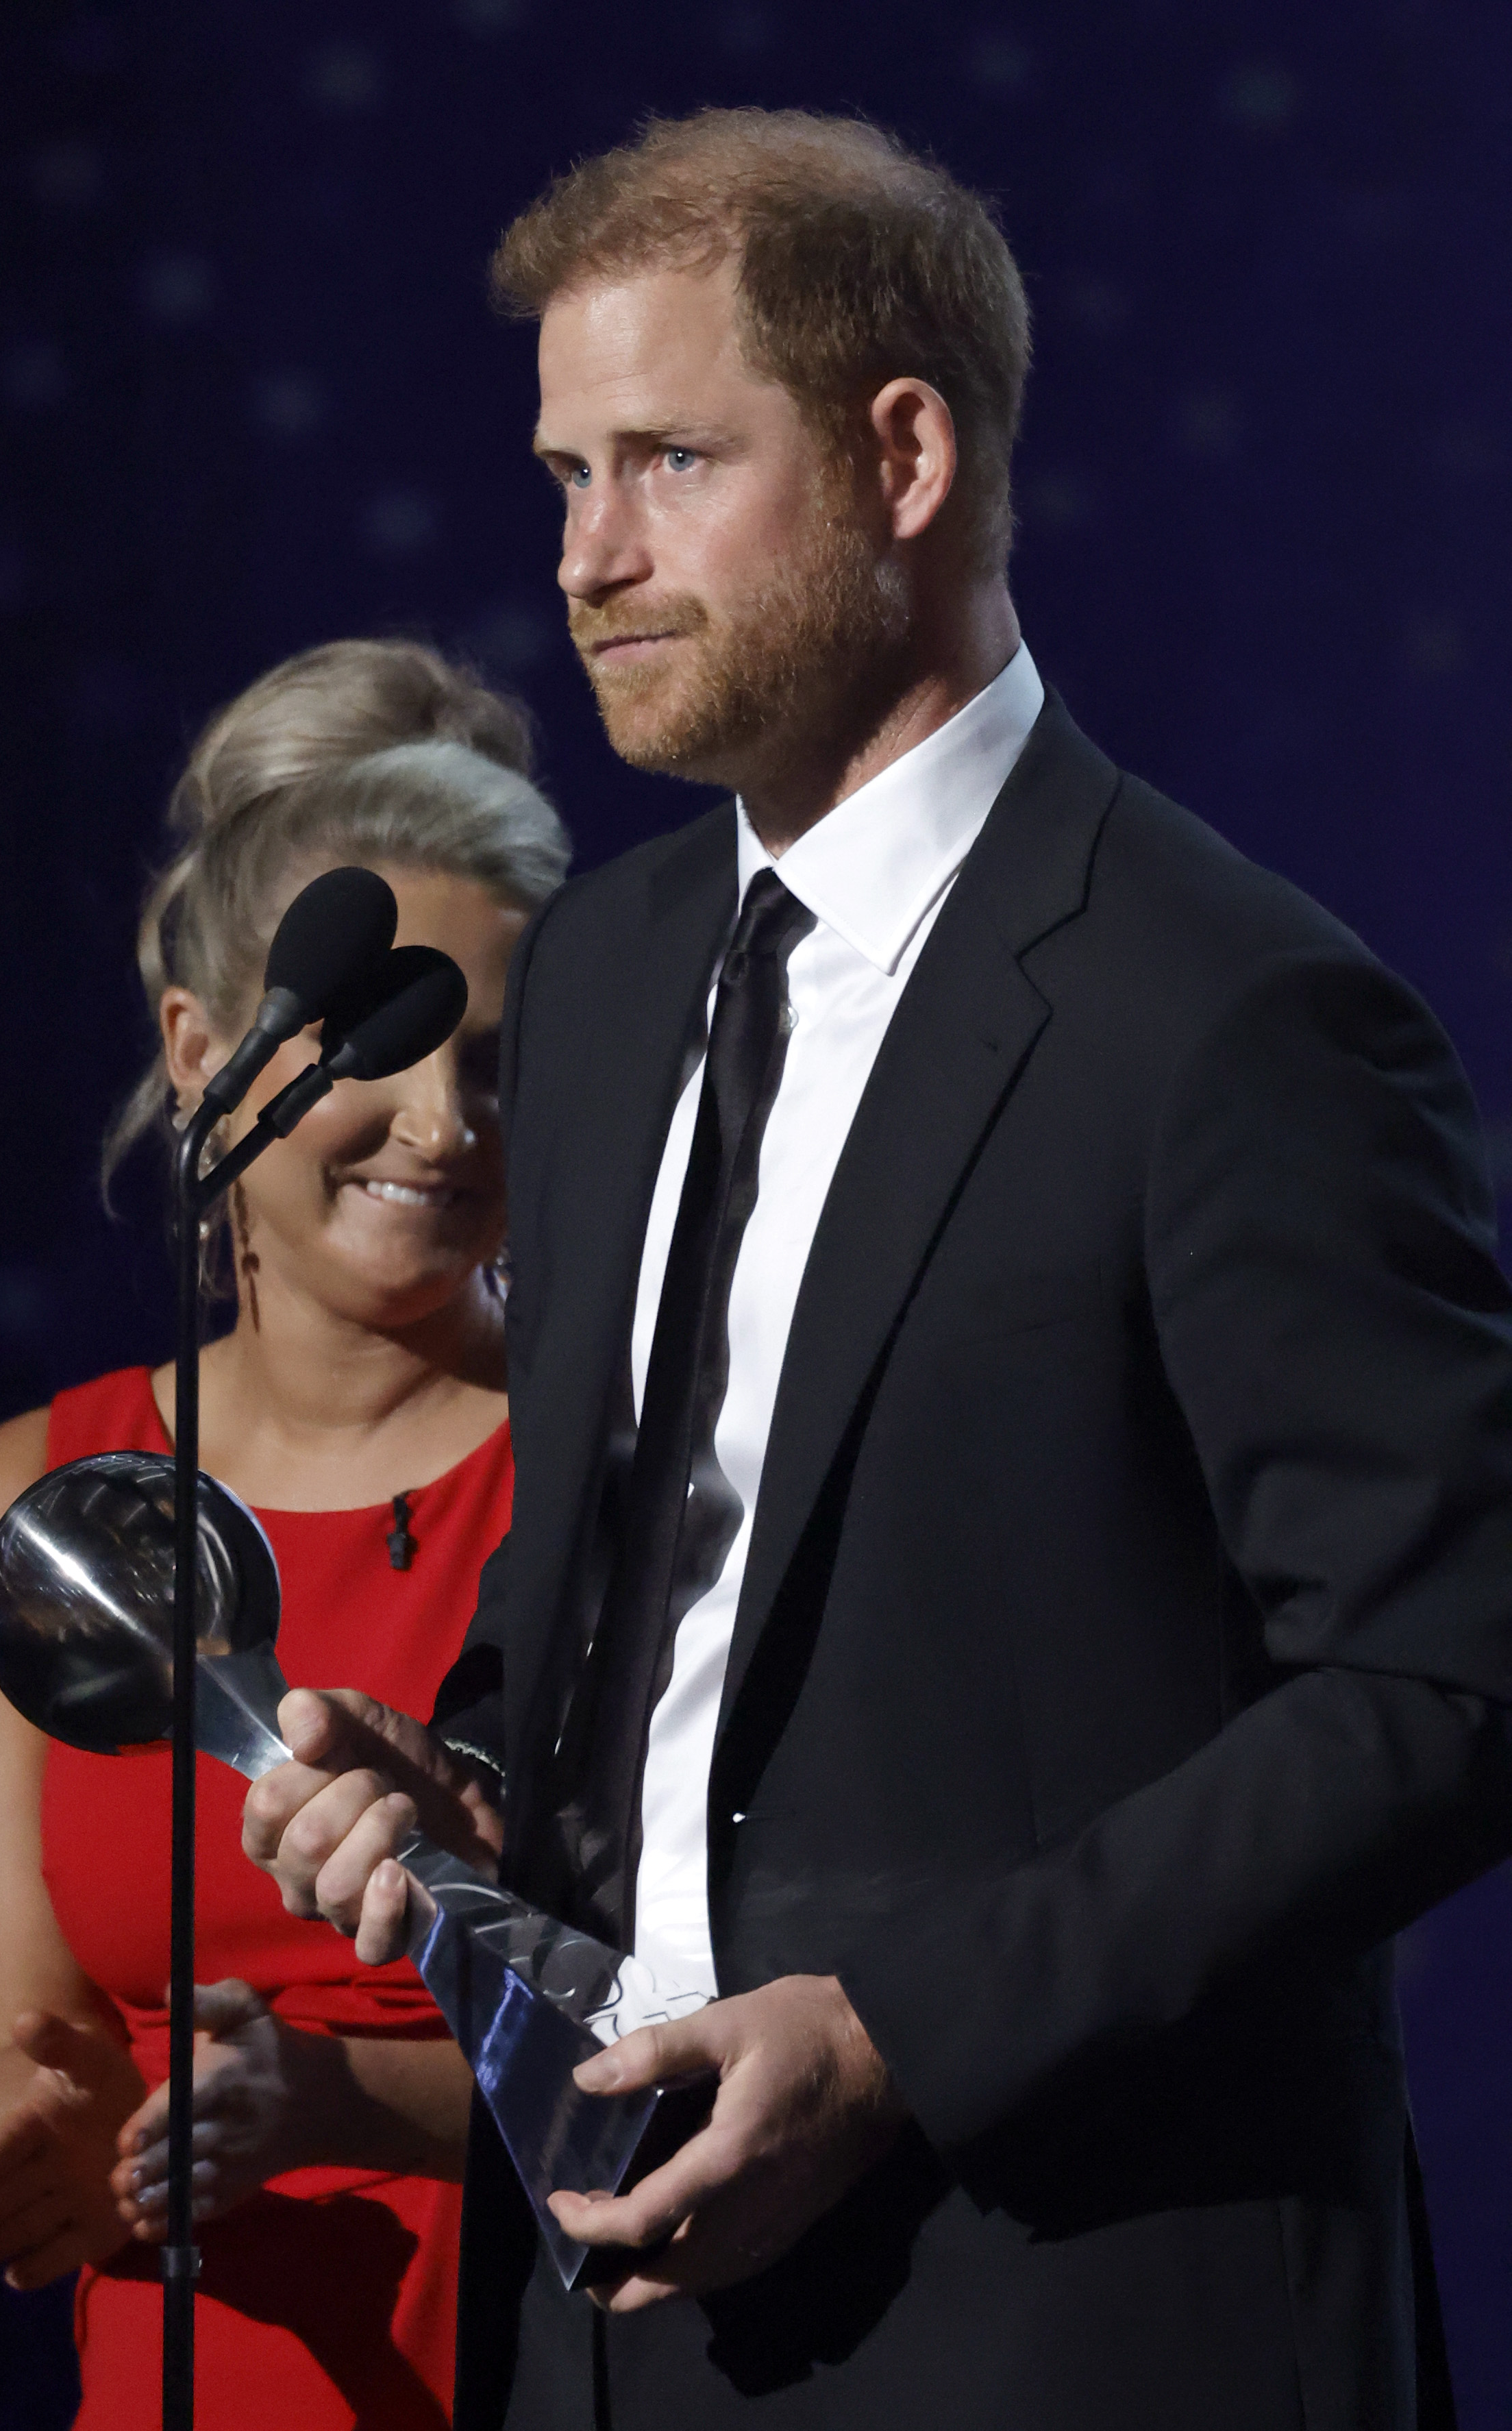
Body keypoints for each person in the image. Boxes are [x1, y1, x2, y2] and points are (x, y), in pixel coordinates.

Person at [243, 110, 1512, 2430]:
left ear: (903, 452)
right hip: (625, 2306)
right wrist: (462, 1791)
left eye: (661, 462)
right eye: (558, 479)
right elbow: (626, 1586)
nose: (586, 559)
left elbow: (1448, 1675)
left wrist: (897, 2034)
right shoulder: (614, 970)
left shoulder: (1227, 1012)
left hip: (1073, 2309)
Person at [0, 638, 570, 2429]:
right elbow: (31, 2027)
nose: (447, 1126)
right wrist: (30, 2122)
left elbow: (699, 2056)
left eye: (503, 1062)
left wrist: (350, 2102)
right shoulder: (30, 1499)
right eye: (384, 1044)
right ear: (203, 1051)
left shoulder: (629, 1470)